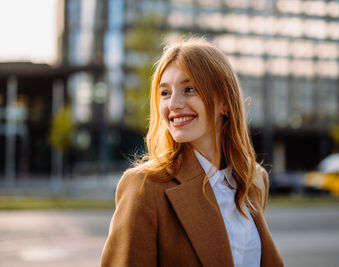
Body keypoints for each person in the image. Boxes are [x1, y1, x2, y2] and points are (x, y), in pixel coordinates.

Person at [101, 37, 284, 267]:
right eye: (165, 93)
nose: (174, 104)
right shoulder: (144, 187)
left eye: (189, 89)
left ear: (224, 103)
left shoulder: (254, 179)